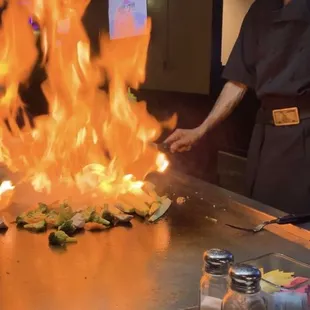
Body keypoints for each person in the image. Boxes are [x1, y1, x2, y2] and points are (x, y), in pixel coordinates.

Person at [165, 0, 310, 214]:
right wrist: (201, 130)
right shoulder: (260, 9)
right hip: (266, 135)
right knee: (262, 215)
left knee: (299, 228)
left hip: (305, 133)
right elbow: (237, 82)